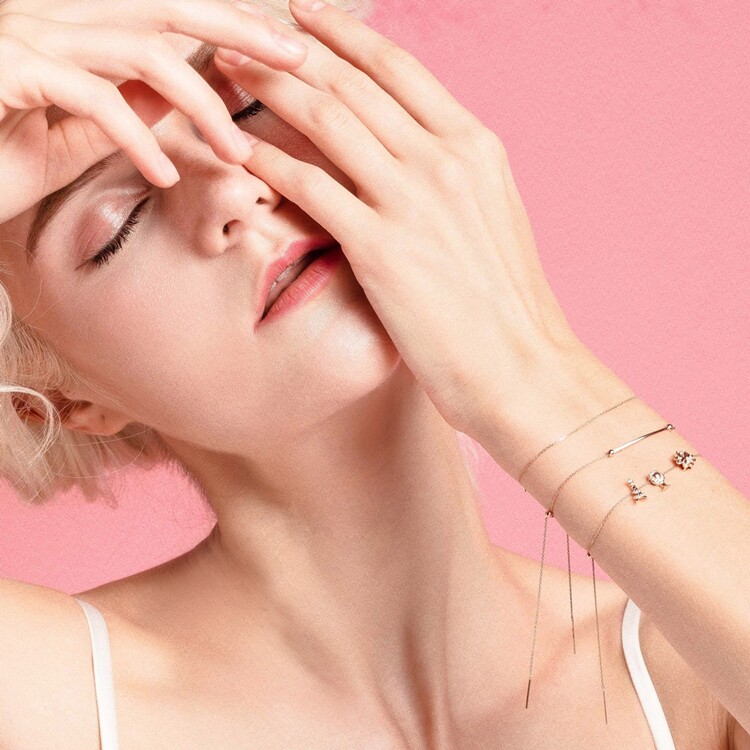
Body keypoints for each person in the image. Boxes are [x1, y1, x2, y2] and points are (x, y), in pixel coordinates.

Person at [1, 0, 748, 747]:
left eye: (247, 109)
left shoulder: (696, 671)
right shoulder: (42, 699)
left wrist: (534, 370)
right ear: (59, 397)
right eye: (119, 225)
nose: (234, 187)